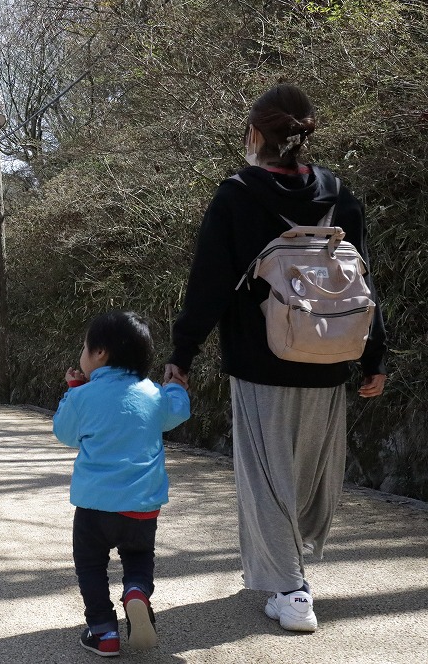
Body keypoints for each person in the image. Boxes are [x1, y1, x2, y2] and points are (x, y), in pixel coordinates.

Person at [164, 83, 387, 633]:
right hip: (331, 357)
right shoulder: (339, 195)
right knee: (307, 476)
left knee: (266, 478)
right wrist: (374, 358)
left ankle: (291, 591)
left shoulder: (237, 195)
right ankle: (292, 569)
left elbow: (209, 286)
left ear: (255, 134)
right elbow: (362, 280)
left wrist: (182, 355)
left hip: (260, 362)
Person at [53, 311, 190, 657]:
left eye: (85, 347)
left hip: (94, 507)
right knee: (139, 556)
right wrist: (175, 386)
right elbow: (177, 412)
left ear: (100, 353)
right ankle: (136, 592)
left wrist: (74, 390)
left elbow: (65, 433)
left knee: (91, 566)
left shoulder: (83, 396)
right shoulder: (152, 394)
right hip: (141, 506)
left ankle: (103, 631)